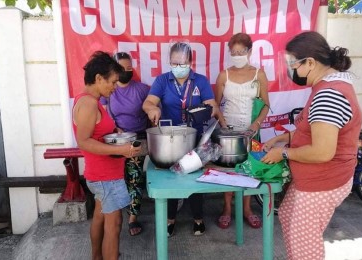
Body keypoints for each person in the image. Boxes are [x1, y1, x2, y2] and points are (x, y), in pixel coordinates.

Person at [261, 31, 362, 260]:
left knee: (305, 244)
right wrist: (284, 138)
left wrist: (283, 153)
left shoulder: (329, 94)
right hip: (313, 178)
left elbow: (322, 151)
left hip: (323, 181)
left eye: (293, 65)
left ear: (310, 62)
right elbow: (315, 128)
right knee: (287, 215)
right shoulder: (326, 86)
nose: (291, 71)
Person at [142, 42, 222, 237]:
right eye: (174, 63)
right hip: (170, 139)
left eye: (182, 63)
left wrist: (205, 112)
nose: (178, 67)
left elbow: (213, 106)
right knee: (171, 177)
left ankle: (198, 218)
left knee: (194, 177)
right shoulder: (162, 80)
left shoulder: (200, 81)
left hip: (195, 138)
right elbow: (148, 102)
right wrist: (153, 109)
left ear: (191, 62)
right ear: (169, 62)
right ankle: (170, 219)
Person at [72, 51, 142, 260]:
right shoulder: (88, 104)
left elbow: (98, 134)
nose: (114, 86)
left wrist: (116, 134)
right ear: (98, 78)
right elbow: (84, 141)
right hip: (105, 177)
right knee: (114, 225)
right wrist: (121, 150)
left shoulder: (91, 101)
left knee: (100, 219)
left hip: (104, 175)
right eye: (112, 82)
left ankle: (97, 257)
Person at [214, 33, 270, 229]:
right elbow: (216, 105)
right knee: (229, 169)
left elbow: (265, 105)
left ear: (250, 51)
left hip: (251, 131)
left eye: (241, 51)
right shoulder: (224, 75)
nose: (237, 55)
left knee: (249, 170)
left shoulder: (259, 74)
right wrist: (222, 124)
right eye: (234, 52)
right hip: (228, 131)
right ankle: (227, 208)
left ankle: (247, 209)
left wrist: (256, 125)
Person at [100, 52, 150, 236]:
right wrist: (114, 128)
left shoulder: (142, 89)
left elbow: (153, 107)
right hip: (114, 140)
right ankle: (115, 212)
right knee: (116, 178)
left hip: (137, 139)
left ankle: (133, 217)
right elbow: (104, 114)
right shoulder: (108, 90)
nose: (127, 71)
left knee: (135, 177)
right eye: (123, 68)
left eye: (130, 68)